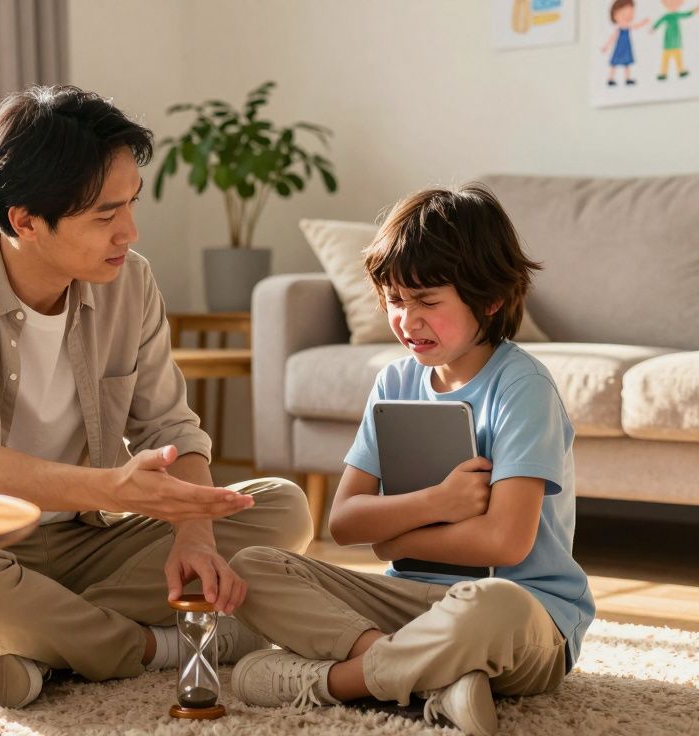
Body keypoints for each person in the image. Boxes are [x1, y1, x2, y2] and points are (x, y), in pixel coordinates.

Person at [0, 85, 314, 709]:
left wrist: (193, 532)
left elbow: (171, 428)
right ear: (26, 220)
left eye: (131, 205)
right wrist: (111, 488)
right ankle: (160, 646)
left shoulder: (130, 281)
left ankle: (35, 648)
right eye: (104, 216)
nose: (130, 231)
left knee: (281, 507)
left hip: (85, 543)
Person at [225, 185, 595, 736]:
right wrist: (435, 503)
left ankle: (336, 682)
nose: (406, 320)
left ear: (489, 299)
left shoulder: (522, 387)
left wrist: (396, 537)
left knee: (493, 604)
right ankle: (430, 678)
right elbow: (346, 522)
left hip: (524, 617)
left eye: (427, 302)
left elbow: (504, 544)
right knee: (252, 565)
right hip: (410, 605)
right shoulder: (395, 381)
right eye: (396, 301)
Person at [602, 0, 650, 86]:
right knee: (615, 62)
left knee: (626, 63)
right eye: (624, 14)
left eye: (630, 14)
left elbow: (636, 26)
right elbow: (613, 38)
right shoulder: (619, 29)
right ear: (615, 15)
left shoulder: (628, 26)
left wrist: (644, 22)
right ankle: (611, 78)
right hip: (620, 47)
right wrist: (606, 46)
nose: (628, 17)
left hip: (626, 47)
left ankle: (627, 79)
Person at [651, 0, 699, 80]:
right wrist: (654, 28)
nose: (672, 5)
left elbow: (687, 14)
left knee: (678, 58)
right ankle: (663, 73)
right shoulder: (666, 16)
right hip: (668, 42)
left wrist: (694, 11)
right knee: (666, 58)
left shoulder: (677, 15)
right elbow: (659, 21)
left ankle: (681, 71)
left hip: (676, 41)